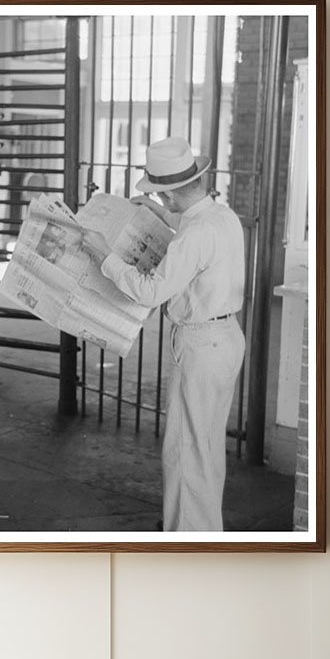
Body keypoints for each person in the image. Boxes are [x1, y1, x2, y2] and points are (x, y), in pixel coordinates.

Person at [82, 136, 246, 532]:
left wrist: (106, 257)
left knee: (187, 452)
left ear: (171, 194)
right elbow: (189, 226)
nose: (161, 201)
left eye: (160, 195)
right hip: (224, 339)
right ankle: (203, 531)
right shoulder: (222, 217)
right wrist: (155, 209)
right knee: (203, 447)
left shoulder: (193, 235)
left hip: (201, 345)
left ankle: (189, 544)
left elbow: (150, 290)